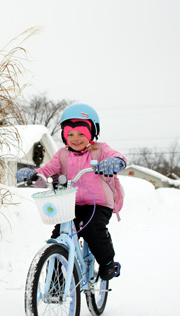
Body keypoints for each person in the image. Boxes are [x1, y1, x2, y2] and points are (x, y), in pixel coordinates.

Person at [16, 103, 126, 281]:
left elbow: (118, 156)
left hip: (98, 204)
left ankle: (107, 263)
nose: (76, 138)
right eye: (70, 134)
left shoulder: (100, 150)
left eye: (82, 133)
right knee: (60, 236)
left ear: (92, 133)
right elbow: (47, 170)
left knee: (93, 229)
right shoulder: (62, 154)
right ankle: (56, 282)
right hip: (69, 204)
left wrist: (115, 162)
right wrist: (33, 174)